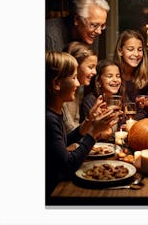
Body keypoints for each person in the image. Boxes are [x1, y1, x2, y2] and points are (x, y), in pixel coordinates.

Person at [45, 51, 119, 196]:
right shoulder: (48, 119)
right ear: (56, 84)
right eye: (73, 78)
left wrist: (89, 121)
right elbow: (68, 165)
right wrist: (94, 132)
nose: (78, 83)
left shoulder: (54, 113)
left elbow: (64, 142)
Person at [46, 0, 110, 53]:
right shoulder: (49, 34)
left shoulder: (90, 33)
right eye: (94, 25)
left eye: (102, 25)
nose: (99, 32)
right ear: (77, 19)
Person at [113, 29, 148, 120]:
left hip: (141, 123)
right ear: (120, 51)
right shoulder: (112, 74)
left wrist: (146, 103)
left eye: (140, 50)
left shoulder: (147, 74)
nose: (136, 54)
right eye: (130, 49)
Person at [62, 41, 98, 133]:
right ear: (75, 66)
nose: (95, 72)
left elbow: (76, 123)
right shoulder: (62, 93)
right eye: (90, 67)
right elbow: (69, 130)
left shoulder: (77, 90)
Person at [80, 59, 123, 123]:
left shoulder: (119, 99)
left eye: (118, 76)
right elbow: (91, 128)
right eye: (109, 76)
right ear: (98, 82)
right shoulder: (90, 100)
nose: (115, 80)